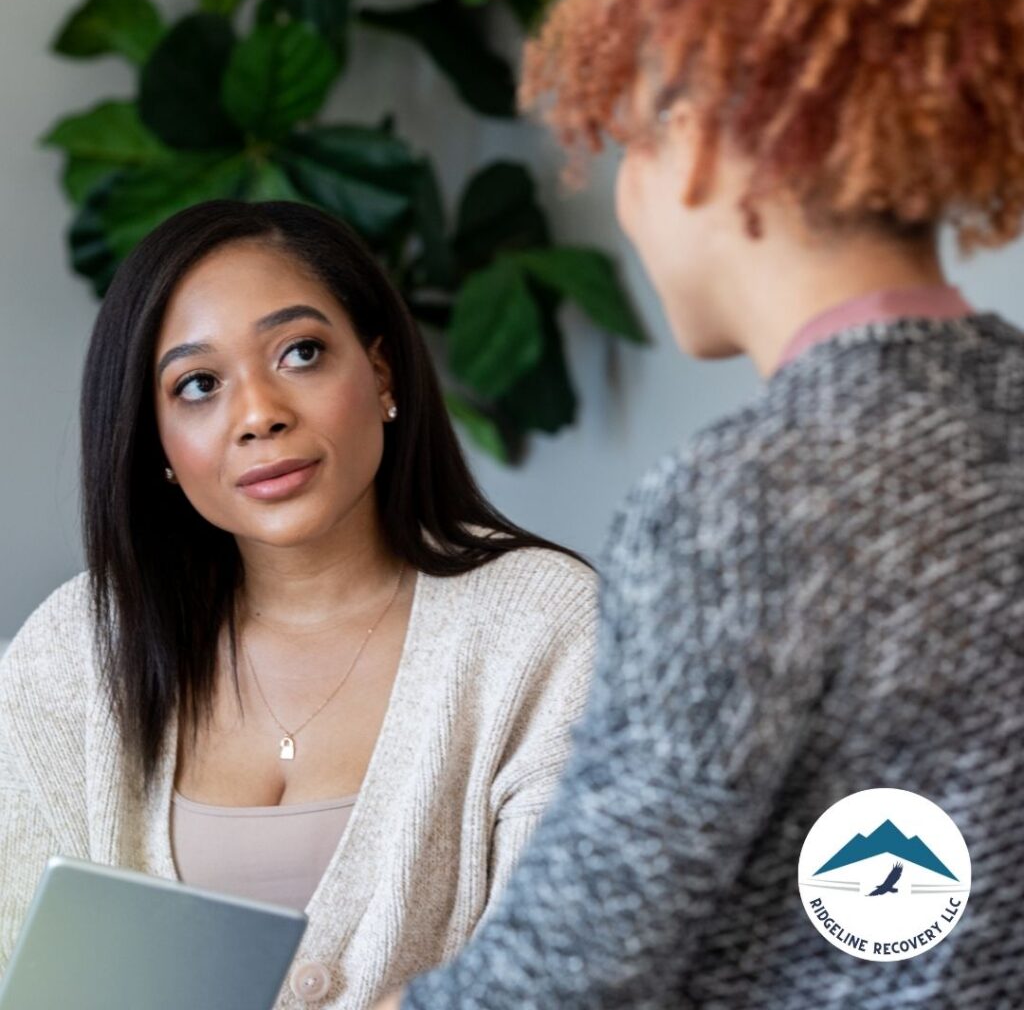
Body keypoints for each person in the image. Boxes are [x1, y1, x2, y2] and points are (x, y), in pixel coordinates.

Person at [373, 0, 1024, 1007]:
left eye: (627, 143)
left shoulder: (741, 500)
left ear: (701, 136)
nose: (626, 199)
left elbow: (575, 960)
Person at [0, 200, 599, 1008]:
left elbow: (572, 967)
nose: (258, 416)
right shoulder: (77, 648)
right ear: (157, 443)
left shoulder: (543, 625)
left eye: (301, 352)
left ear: (381, 373)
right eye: (199, 385)